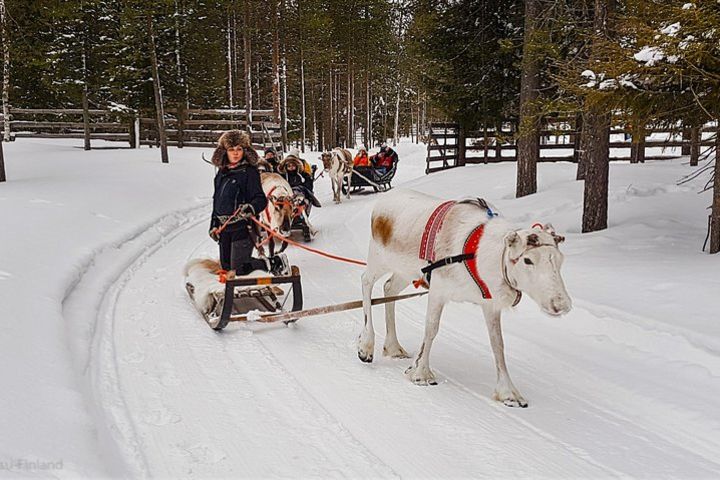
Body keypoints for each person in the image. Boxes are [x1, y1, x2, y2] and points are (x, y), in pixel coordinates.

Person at [209, 130, 289, 276]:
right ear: (224, 152)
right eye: (231, 149)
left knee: (238, 268)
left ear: (245, 151)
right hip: (224, 228)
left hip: (243, 226)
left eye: (239, 149)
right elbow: (217, 202)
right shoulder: (221, 173)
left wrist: (250, 207)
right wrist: (213, 225)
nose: (235, 153)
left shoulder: (249, 172)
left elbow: (260, 199)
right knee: (226, 267)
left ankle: (275, 262)